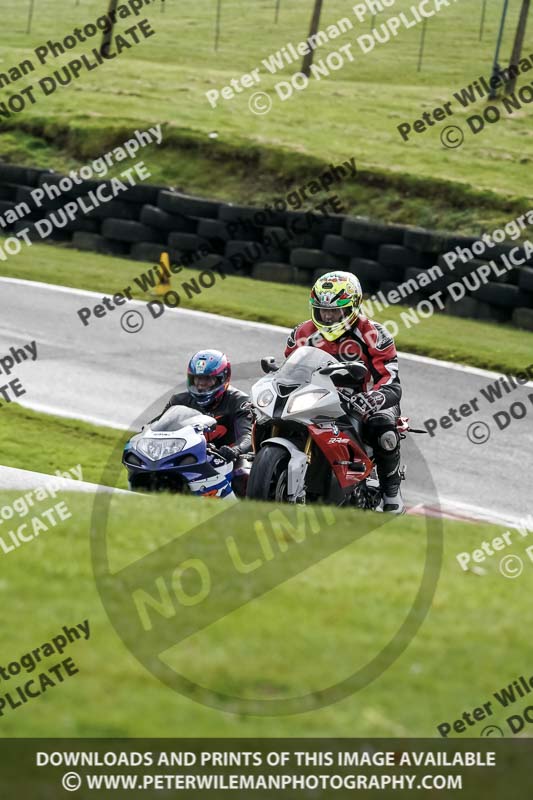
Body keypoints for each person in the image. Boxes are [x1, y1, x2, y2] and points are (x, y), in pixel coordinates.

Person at [285, 271, 405, 513]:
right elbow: (288, 370)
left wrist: (374, 399)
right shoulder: (302, 333)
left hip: (365, 397)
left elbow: (391, 380)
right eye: (322, 310)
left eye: (334, 311)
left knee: (384, 430)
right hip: (316, 396)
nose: (327, 316)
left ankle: (391, 494)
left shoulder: (374, 334)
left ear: (352, 307)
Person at [152, 349, 253, 468]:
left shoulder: (239, 401)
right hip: (189, 459)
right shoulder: (178, 401)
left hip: (228, 461)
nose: (201, 384)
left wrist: (235, 450)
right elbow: (156, 428)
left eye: (207, 379)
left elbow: (247, 436)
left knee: (243, 474)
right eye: (197, 378)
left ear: (222, 379)